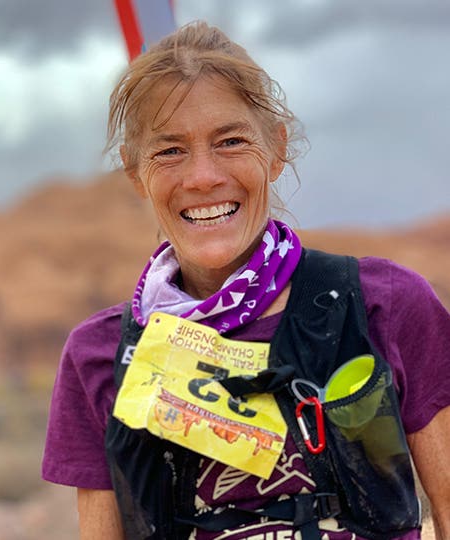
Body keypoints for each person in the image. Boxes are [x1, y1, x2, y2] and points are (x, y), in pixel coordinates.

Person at [42, 21, 450, 540]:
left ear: (276, 150)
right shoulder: (100, 355)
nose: (203, 176)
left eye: (230, 141)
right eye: (169, 150)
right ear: (133, 169)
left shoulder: (383, 306)